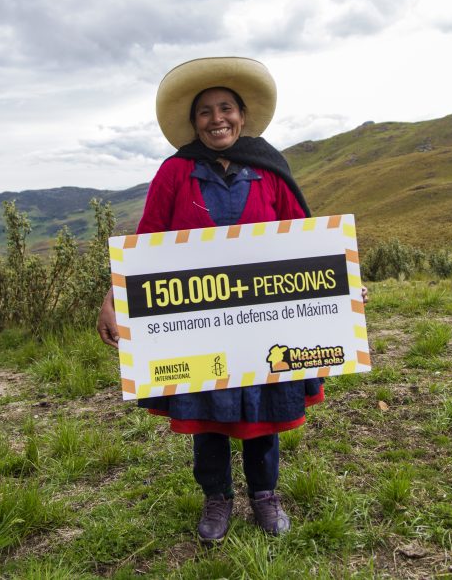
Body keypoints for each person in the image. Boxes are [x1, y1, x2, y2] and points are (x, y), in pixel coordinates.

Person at [97, 57, 326, 543]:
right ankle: (216, 498)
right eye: (205, 111)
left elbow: (307, 241)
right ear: (194, 121)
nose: (216, 118)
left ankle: (265, 495)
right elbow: (148, 239)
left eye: (226, 108)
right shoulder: (175, 173)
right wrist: (113, 298)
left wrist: (341, 288)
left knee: (263, 413)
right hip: (200, 325)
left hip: (266, 321)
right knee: (210, 416)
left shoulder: (270, 170)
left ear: (242, 116)